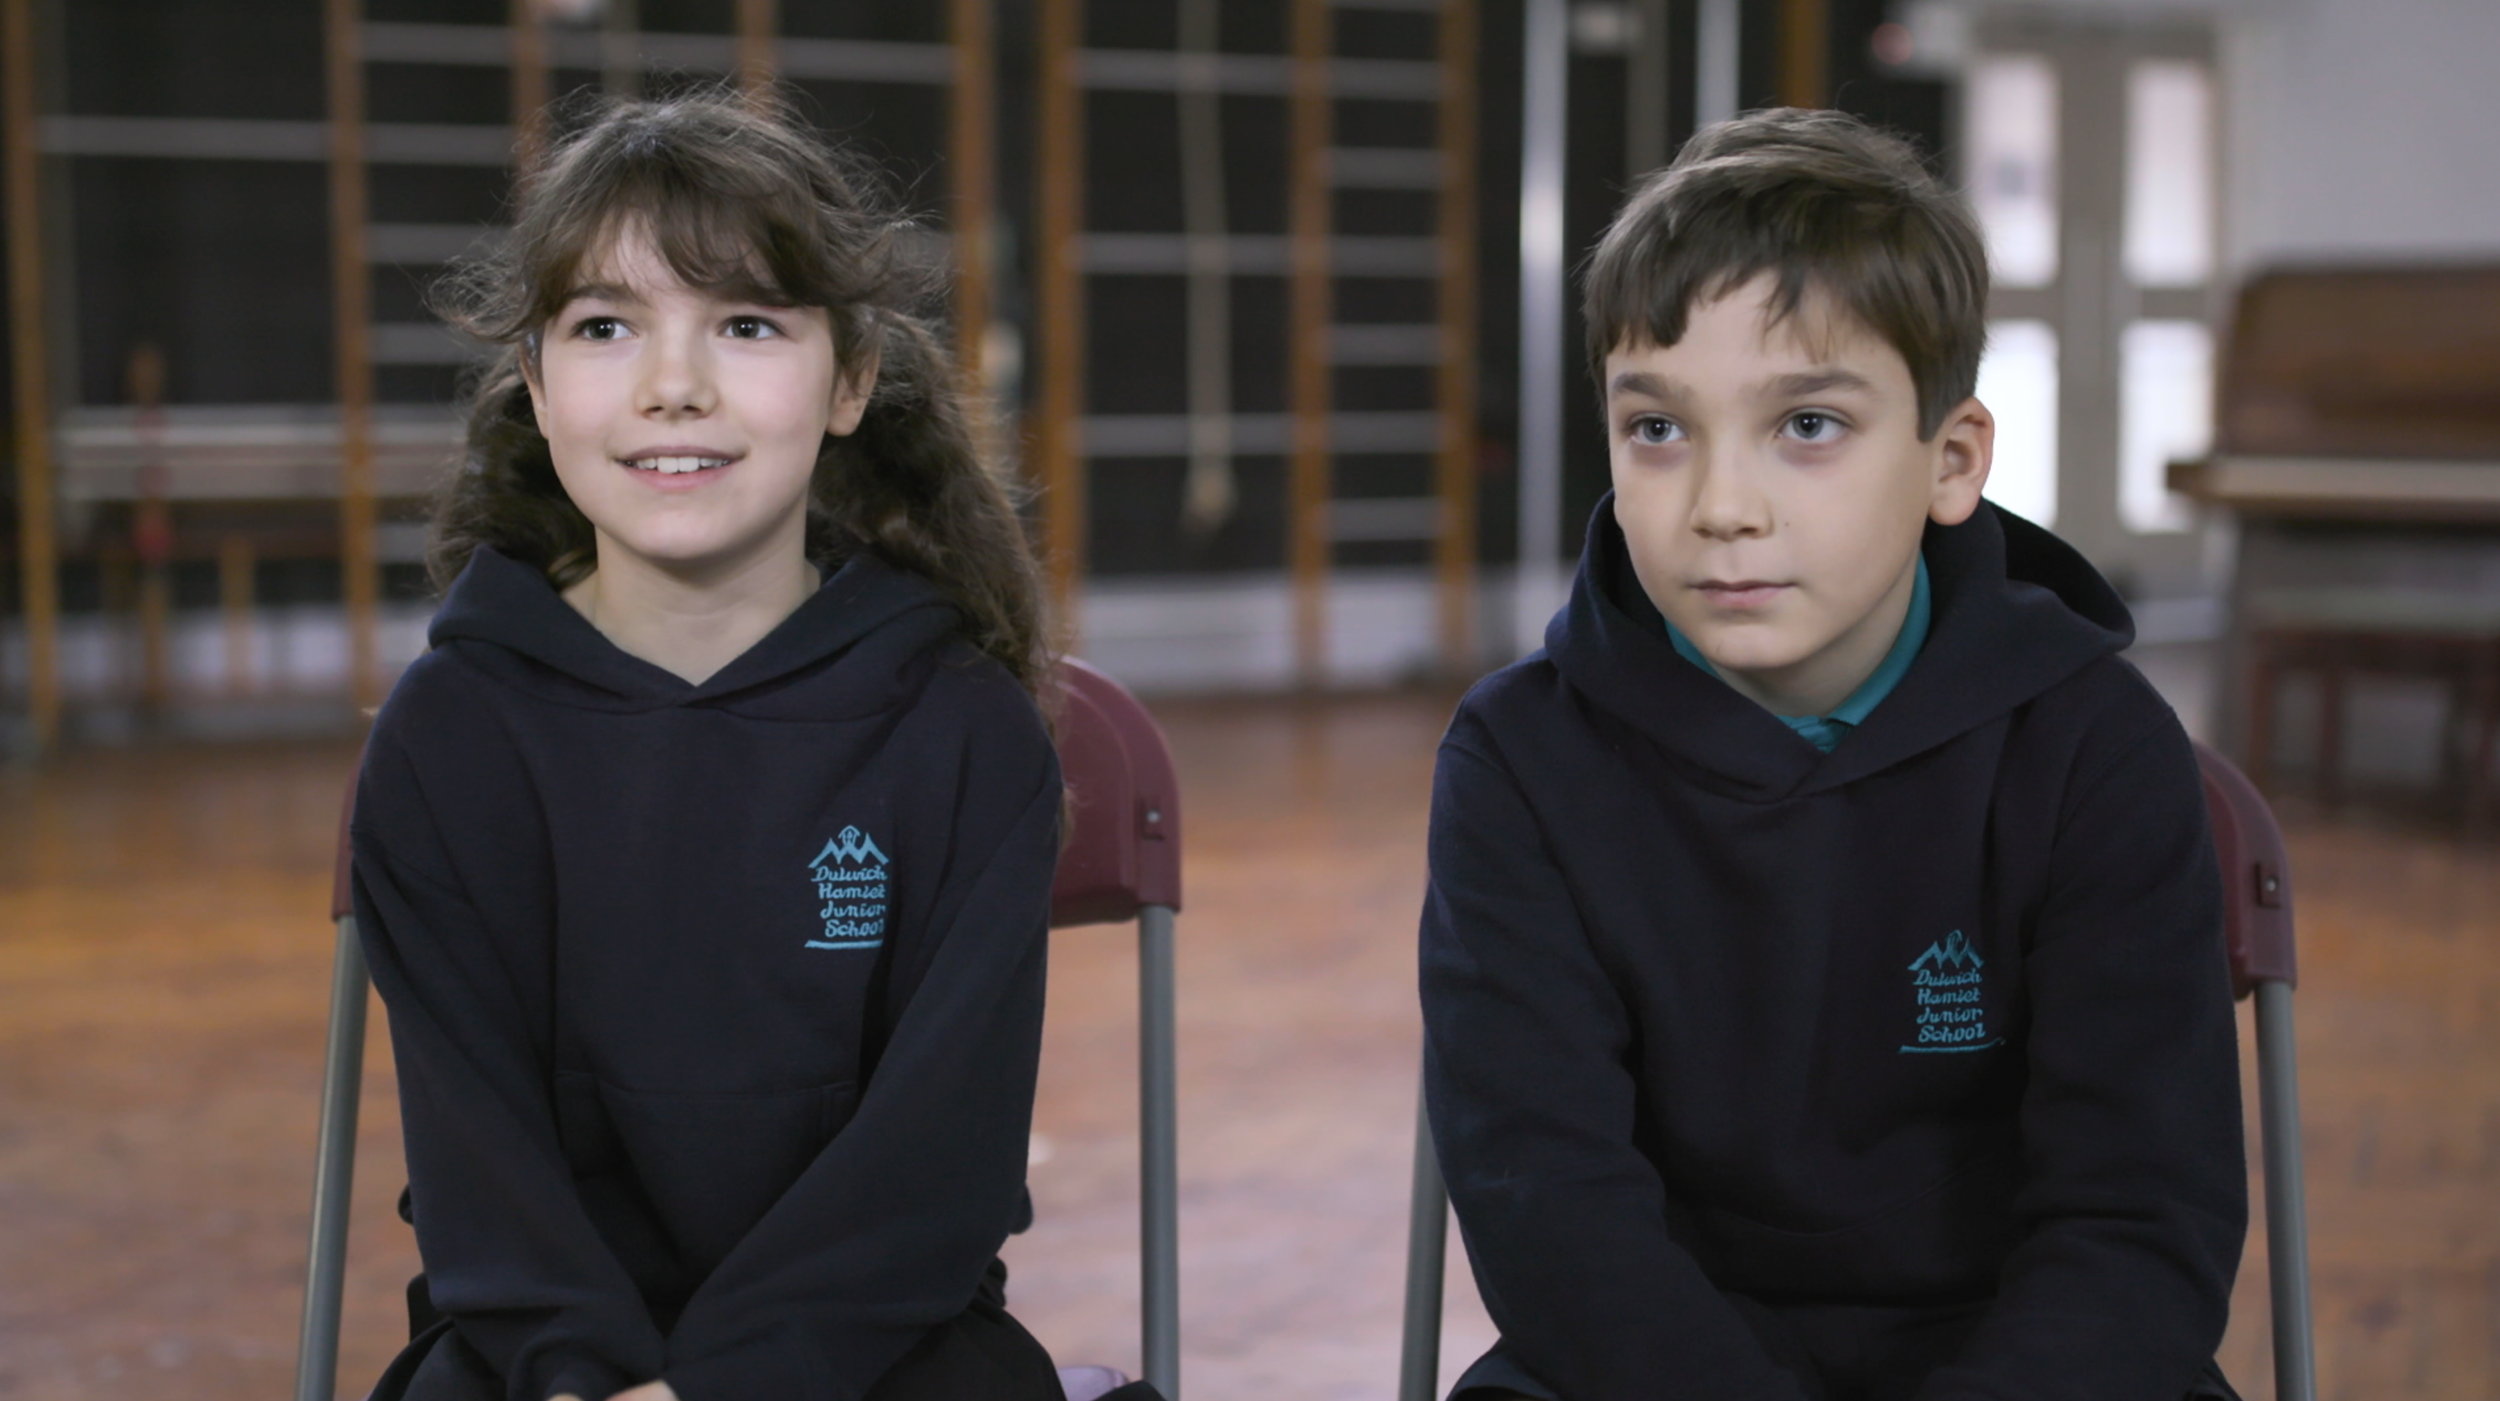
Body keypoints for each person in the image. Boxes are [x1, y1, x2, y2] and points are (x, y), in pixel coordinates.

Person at [1419, 108, 2246, 1401]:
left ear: (1951, 461)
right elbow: (1554, 1215)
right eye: (1658, 429)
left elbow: (2138, 1222)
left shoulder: (2099, 749)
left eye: (1807, 425)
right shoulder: (1517, 763)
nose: (1722, 508)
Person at [352, 90, 1075, 1401]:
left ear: (851, 380)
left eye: (745, 324)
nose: (672, 386)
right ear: (536, 382)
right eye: (605, 326)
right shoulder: (449, 737)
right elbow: (479, 1176)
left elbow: (936, 1168)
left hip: (878, 1351)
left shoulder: (961, 731)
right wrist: (591, 1377)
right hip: (546, 1359)